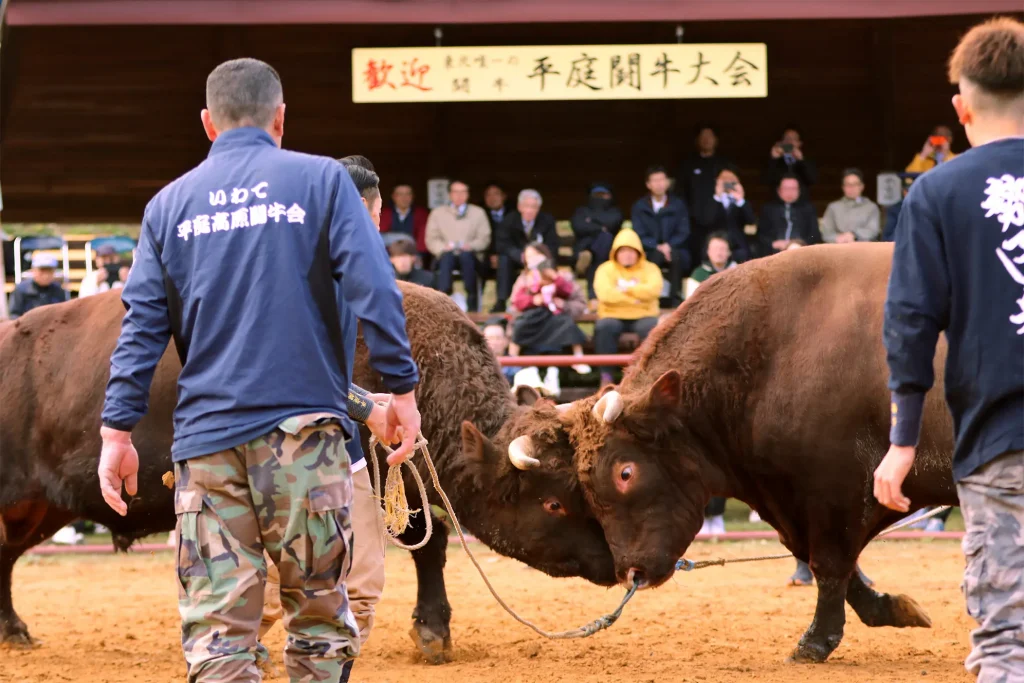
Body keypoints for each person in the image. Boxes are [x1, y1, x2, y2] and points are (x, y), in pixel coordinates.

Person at [96, 58, 422, 683]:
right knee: (322, 620)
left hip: (206, 447)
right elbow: (374, 288)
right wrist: (400, 389)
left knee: (219, 633)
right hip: (305, 436)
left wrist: (117, 432)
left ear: (207, 124)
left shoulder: (168, 207)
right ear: (280, 117)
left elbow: (139, 328)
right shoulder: (323, 182)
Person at [873, 18, 1024, 682]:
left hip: (999, 439)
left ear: (961, 108)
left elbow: (909, 322)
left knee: (1006, 641)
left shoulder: (936, 192)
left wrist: (903, 440)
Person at [508, 243, 590, 395]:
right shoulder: (524, 279)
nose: (533, 261)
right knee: (522, 326)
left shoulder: (561, 276)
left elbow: (576, 299)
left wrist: (563, 303)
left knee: (565, 325)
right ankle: (516, 364)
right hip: (532, 321)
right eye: (529, 257)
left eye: (536, 256)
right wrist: (533, 300)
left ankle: (563, 369)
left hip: (555, 320)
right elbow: (516, 303)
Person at [593, 229, 663, 387]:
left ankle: (646, 376)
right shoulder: (605, 269)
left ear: (638, 252)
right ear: (615, 253)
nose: (627, 254)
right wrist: (636, 297)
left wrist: (626, 290)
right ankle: (606, 376)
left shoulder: (650, 268)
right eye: (622, 251)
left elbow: (653, 290)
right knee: (605, 327)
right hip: (612, 315)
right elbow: (605, 294)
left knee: (652, 328)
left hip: (643, 315)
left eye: (631, 251)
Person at [425, 180, 491, 312]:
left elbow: (485, 237)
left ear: (468, 194)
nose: (459, 195)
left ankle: (472, 300)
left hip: (471, 256)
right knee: (447, 257)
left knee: (466, 256)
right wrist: (443, 247)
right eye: (456, 192)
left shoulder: (478, 213)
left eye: (463, 192)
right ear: (449, 194)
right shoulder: (438, 213)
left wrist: (470, 246)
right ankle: (443, 298)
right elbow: (431, 238)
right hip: (445, 256)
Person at [630, 165, 692, 307]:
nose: (659, 184)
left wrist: (668, 246)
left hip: (675, 248)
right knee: (654, 257)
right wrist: (657, 246)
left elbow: (684, 231)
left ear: (668, 182)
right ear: (648, 184)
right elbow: (639, 233)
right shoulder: (640, 206)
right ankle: (651, 297)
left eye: (662, 180)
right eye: (655, 180)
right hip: (650, 249)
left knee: (676, 256)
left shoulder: (678, 204)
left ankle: (675, 299)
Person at [493, 188, 559, 312]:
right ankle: (501, 300)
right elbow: (503, 244)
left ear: (538, 208)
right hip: (517, 258)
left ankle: (548, 302)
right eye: (526, 206)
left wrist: (537, 257)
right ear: (519, 207)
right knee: (503, 260)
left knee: (548, 264)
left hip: (540, 259)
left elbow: (552, 245)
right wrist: (521, 256)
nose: (529, 210)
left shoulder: (547, 221)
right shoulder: (509, 220)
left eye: (533, 207)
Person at [677, 124, 733, 267]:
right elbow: (681, 194)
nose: (706, 140)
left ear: (716, 140)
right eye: (703, 136)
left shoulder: (725, 164)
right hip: (694, 223)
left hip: (719, 223)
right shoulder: (688, 164)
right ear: (697, 140)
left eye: (710, 136)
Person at [570, 182, 623, 299]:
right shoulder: (581, 211)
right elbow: (578, 226)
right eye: (597, 195)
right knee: (603, 237)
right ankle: (594, 296)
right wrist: (601, 228)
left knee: (605, 238)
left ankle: (589, 255)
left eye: (603, 195)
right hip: (584, 248)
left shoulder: (615, 211)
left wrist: (591, 222)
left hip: (606, 252)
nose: (600, 199)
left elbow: (614, 222)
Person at [699, 167, 754, 263]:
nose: (728, 183)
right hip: (716, 242)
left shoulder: (740, 201)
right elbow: (707, 220)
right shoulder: (711, 200)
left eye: (732, 181)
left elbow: (751, 220)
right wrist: (717, 197)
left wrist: (740, 200)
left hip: (737, 245)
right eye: (724, 180)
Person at [758, 174, 821, 255]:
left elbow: (814, 234)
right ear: (778, 190)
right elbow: (761, 235)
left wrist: (798, 244)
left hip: (801, 252)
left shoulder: (808, 209)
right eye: (786, 188)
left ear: (799, 191)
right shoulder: (768, 209)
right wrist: (773, 243)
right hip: (773, 252)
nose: (790, 192)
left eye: (793, 189)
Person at [821, 168, 881, 244]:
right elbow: (826, 232)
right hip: (838, 247)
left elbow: (873, 230)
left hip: (863, 248)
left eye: (855, 184)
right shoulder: (833, 207)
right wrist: (838, 238)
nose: (851, 188)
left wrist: (854, 235)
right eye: (848, 184)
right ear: (843, 187)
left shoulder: (871, 207)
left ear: (861, 186)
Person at [763, 125, 818, 202]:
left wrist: (801, 160)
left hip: (801, 204)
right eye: (787, 139)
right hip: (778, 204)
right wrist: (773, 160)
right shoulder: (775, 160)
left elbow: (812, 180)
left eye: (794, 139)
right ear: (781, 142)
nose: (790, 142)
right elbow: (766, 180)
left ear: (799, 143)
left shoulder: (807, 160)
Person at [8, 252, 67, 319]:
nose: (46, 275)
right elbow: (14, 315)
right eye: (42, 271)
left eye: (49, 271)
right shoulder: (21, 290)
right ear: (33, 270)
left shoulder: (58, 290)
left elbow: (63, 315)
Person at [379, 183, 429, 260]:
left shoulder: (421, 214)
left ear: (412, 196)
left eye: (408, 194)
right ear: (393, 197)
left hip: (413, 255)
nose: (404, 198)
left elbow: (423, 239)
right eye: (400, 194)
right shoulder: (384, 214)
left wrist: (418, 255)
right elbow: (380, 237)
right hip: (389, 255)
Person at [685, 232, 737, 300]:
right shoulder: (698, 274)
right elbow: (690, 301)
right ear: (708, 251)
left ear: (729, 252)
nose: (718, 253)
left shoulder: (736, 272)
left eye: (722, 249)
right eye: (715, 249)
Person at [482, 316, 518, 385]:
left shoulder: (515, 365)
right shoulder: (475, 363)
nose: (494, 342)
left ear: (506, 341)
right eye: (489, 338)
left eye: (498, 338)